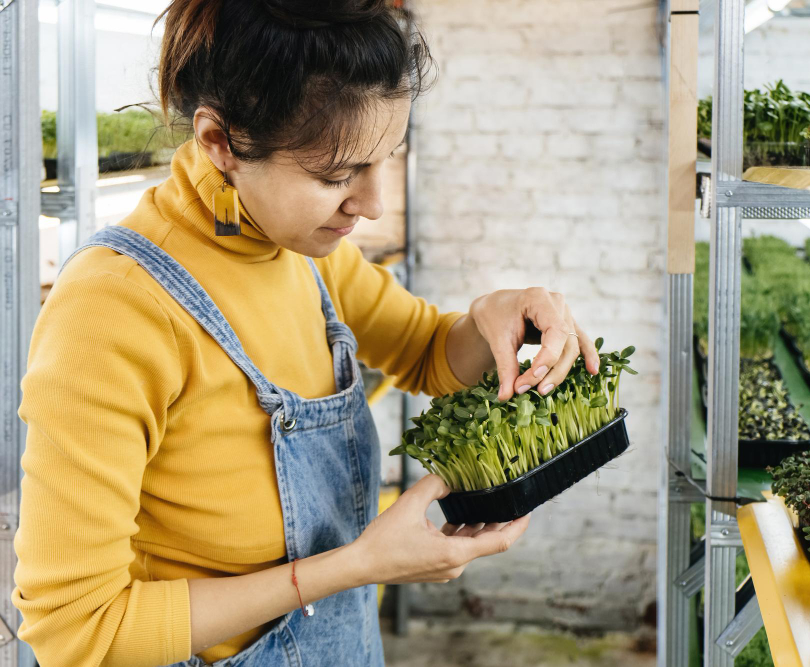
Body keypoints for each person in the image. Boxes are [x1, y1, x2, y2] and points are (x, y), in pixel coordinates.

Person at [11, 1, 601, 665]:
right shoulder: (115, 310)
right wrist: (356, 565)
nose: (372, 204)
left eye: (384, 160)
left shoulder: (299, 248)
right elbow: (77, 630)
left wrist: (494, 315)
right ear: (220, 142)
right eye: (337, 175)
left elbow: (427, 353)